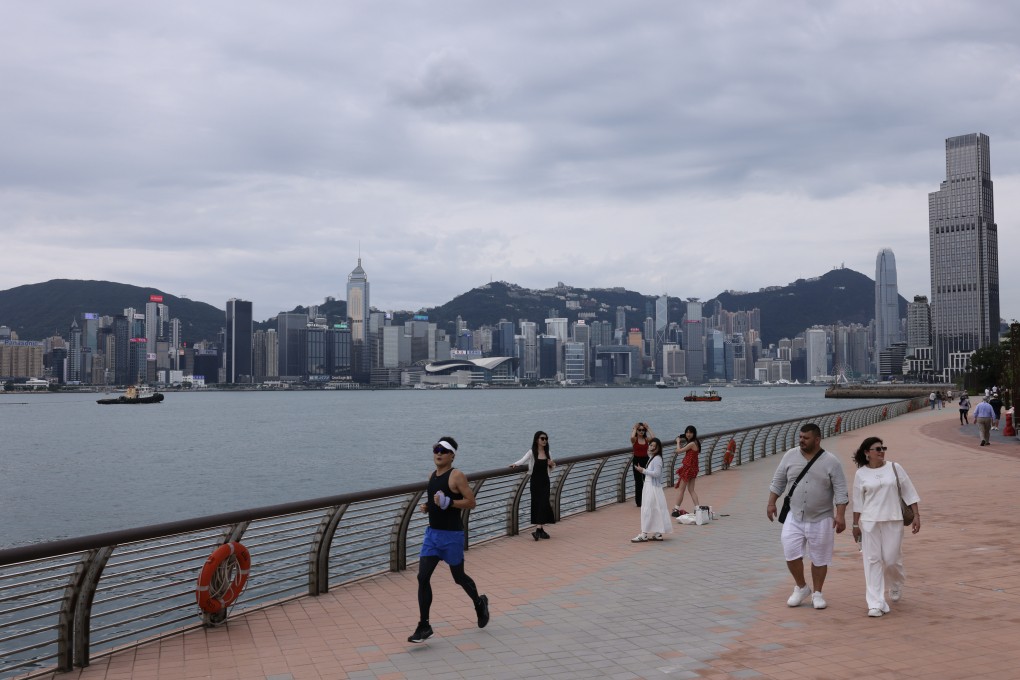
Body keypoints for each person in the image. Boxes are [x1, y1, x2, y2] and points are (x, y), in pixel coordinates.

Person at [408, 436, 489, 643]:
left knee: (458, 577)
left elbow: (471, 502)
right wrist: (428, 507)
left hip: (452, 535)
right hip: (432, 535)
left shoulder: (456, 476)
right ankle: (424, 625)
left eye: (443, 451)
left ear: (452, 455)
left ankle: (479, 602)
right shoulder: (432, 476)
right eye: (436, 449)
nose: (438, 453)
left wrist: (449, 502)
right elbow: (435, 502)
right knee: (422, 577)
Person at [766, 423, 848, 611]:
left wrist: (840, 515)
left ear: (817, 440)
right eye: (800, 437)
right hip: (794, 516)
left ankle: (818, 593)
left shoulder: (831, 461)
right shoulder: (790, 456)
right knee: (790, 552)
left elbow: (841, 491)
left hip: (822, 517)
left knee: (820, 558)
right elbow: (778, 481)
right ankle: (802, 587)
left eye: (806, 438)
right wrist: (771, 503)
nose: (801, 440)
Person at [851, 437, 921, 618]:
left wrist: (916, 515)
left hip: (893, 519)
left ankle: (895, 583)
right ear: (867, 453)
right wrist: (855, 524)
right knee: (872, 560)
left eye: (883, 448)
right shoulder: (861, 474)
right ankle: (875, 603)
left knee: (891, 559)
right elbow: (858, 502)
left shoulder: (894, 468)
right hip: (870, 522)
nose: (881, 451)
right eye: (877, 449)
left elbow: (909, 492)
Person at [510, 431, 557, 540]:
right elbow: (523, 460)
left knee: (544, 503)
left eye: (546, 439)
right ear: (537, 440)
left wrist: (552, 464)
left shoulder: (548, 453)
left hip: (545, 482)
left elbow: (552, 467)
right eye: (542, 438)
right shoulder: (532, 452)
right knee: (537, 504)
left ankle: (538, 530)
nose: (544, 440)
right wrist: (515, 464)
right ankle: (540, 530)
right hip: (535, 482)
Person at [631, 438, 674, 542]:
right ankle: (657, 533)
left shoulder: (657, 459)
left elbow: (657, 473)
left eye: (654, 446)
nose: (651, 447)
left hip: (652, 487)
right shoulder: (653, 457)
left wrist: (643, 470)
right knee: (655, 508)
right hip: (650, 486)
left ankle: (644, 534)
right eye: (650, 445)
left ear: (658, 448)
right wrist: (643, 469)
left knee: (648, 508)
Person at [671, 425, 701, 516]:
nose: (688, 434)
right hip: (694, 468)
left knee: (681, 490)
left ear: (694, 433)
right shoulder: (696, 442)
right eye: (687, 432)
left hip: (688, 468)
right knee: (691, 490)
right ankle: (698, 509)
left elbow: (678, 451)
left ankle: (676, 509)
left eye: (690, 432)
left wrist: (678, 441)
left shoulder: (692, 444)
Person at [630, 422, 655, 507]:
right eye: (639, 430)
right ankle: (639, 502)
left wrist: (648, 428)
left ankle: (648, 499)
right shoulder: (634, 440)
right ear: (637, 431)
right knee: (638, 482)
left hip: (645, 460)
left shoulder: (646, 439)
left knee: (647, 480)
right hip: (637, 460)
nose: (641, 431)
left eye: (643, 430)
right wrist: (634, 428)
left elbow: (654, 438)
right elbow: (632, 437)